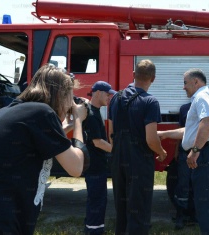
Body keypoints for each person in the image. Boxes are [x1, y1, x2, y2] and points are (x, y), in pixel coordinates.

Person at [0, 63, 89, 235]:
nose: (70, 105)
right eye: (70, 98)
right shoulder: (42, 112)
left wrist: (69, 124)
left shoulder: (17, 110)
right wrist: (79, 120)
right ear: (60, 95)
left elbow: (45, 139)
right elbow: (76, 167)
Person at [158, 68, 209, 235]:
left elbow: (208, 121)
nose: (183, 87)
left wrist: (196, 150)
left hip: (208, 153)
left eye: (185, 83)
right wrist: (164, 134)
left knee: (205, 206)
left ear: (196, 82)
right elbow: (192, 131)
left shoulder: (203, 96)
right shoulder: (203, 97)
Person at [108, 59, 167, 235]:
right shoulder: (150, 102)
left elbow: (111, 133)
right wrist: (162, 152)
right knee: (139, 207)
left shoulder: (115, 99)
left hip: (118, 158)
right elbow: (151, 139)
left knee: (122, 206)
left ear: (133, 75)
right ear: (153, 79)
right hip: (139, 161)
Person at [83, 81, 116, 235]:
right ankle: (93, 231)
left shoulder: (94, 111)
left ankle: (94, 228)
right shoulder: (91, 114)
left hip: (97, 166)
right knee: (97, 201)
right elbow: (98, 142)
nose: (109, 97)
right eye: (107, 94)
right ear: (97, 93)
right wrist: (118, 151)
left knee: (98, 200)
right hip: (95, 167)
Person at [171, 102, 196, 230]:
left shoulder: (205, 106)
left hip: (199, 153)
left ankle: (194, 215)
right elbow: (180, 130)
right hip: (183, 153)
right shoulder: (184, 108)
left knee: (197, 184)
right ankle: (180, 216)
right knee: (183, 185)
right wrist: (176, 150)